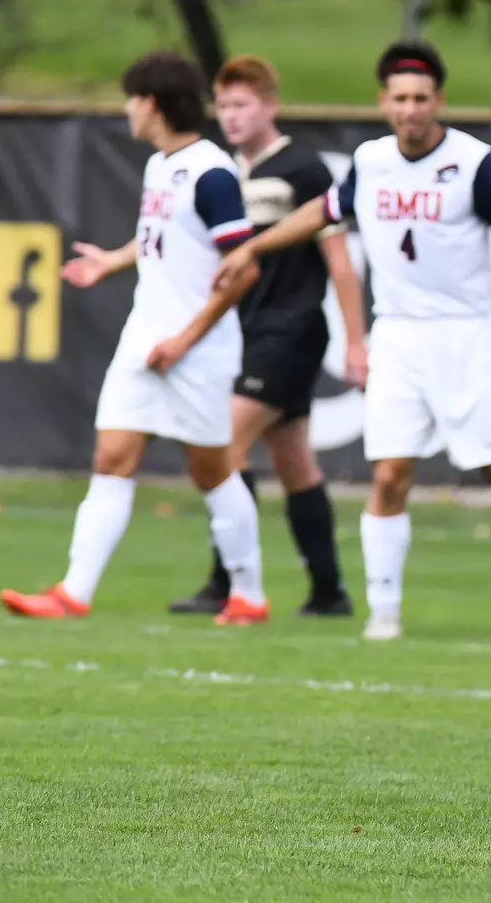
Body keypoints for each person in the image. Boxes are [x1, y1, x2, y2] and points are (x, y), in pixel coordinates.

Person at [212, 40, 491, 645]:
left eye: (421, 98)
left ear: (438, 100)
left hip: (466, 337)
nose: (410, 109)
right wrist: (254, 246)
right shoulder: (371, 161)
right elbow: (323, 212)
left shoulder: (472, 162)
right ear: (384, 102)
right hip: (398, 339)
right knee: (389, 474)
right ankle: (383, 613)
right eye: (399, 98)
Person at [0, 52, 269, 625]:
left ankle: (248, 594)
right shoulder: (159, 166)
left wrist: (185, 339)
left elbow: (243, 269)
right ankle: (73, 592)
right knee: (111, 458)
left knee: (211, 470)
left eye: (130, 98)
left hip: (196, 350)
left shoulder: (212, 173)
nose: (127, 110)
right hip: (142, 337)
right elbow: (167, 242)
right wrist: (114, 261)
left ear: (151, 103)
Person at [167, 54, 366, 618]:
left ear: (270, 106)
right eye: (222, 105)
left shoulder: (302, 169)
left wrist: (356, 341)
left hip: (291, 329)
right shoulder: (224, 172)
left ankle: (228, 584)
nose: (229, 116)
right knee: (294, 461)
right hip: (243, 330)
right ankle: (329, 593)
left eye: (241, 105)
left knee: (222, 446)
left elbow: (339, 261)